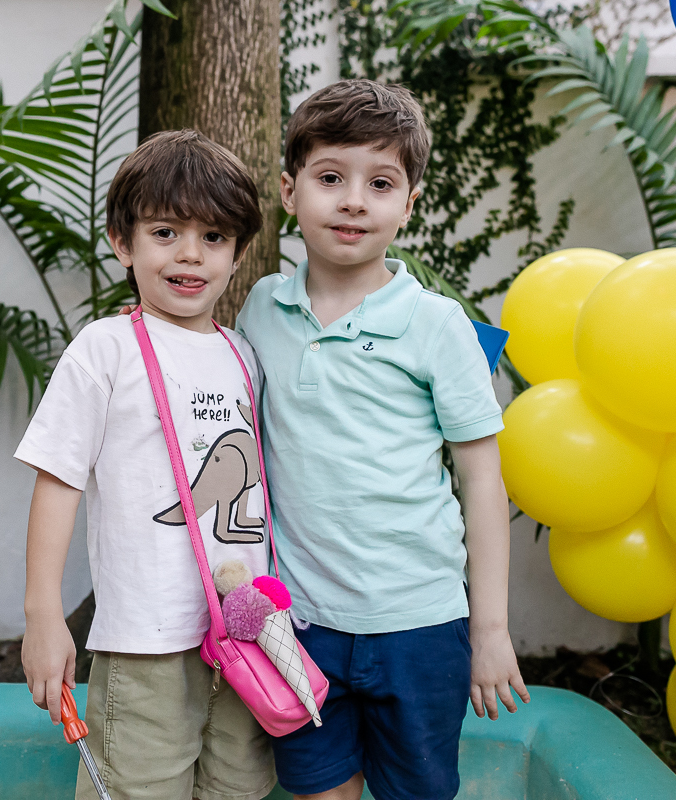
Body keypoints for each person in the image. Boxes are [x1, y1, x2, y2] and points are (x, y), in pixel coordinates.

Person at [235, 79, 530, 800]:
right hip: (298, 621)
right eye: (330, 178)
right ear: (289, 189)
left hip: (420, 623)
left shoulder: (437, 325)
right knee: (317, 791)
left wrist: (490, 631)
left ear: (409, 203)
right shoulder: (261, 308)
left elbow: (483, 483)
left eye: (381, 183)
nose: (354, 200)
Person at [17, 129, 276, 800]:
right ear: (121, 241)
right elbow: (58, 481)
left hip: (246, 635)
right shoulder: (104, 351)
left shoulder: (242, 354)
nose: (190, 254)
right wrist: (44, 617)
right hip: (146, 640)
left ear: (239, 251)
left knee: (239, 787)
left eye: (214, 237)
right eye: (166, 232)